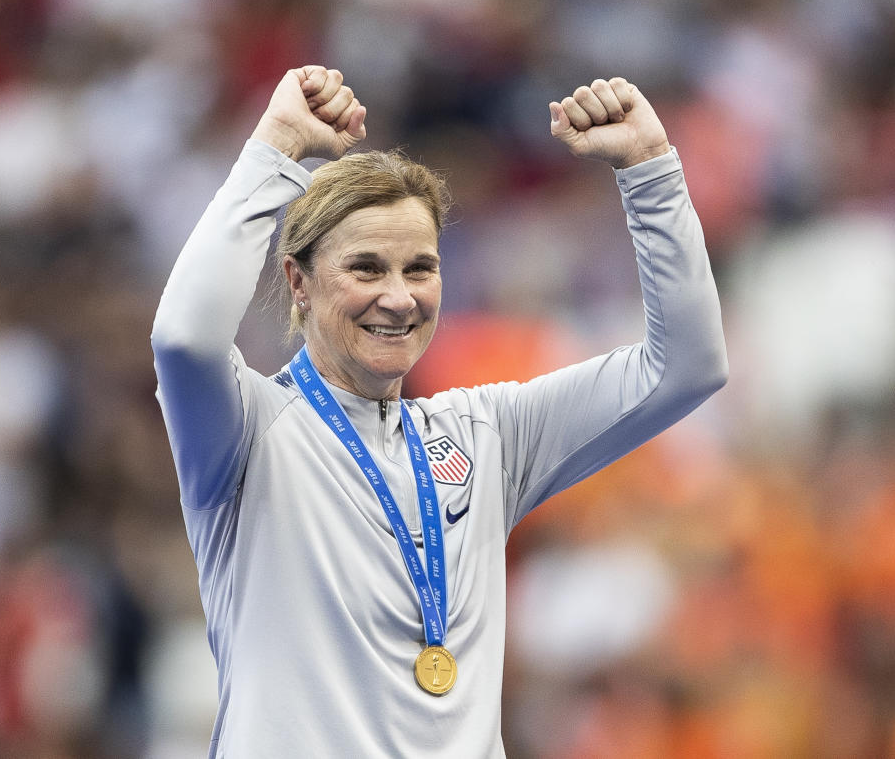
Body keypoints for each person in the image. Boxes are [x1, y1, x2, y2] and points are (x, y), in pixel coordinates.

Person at [151, 65, 727, 757]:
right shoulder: (248, 431)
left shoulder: (487, 435)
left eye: (420, 268)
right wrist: (275, 147)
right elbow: (184, 337)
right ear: (297, 282)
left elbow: (687, 365)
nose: (399, 298)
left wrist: (650, 173)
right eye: (366, 268)